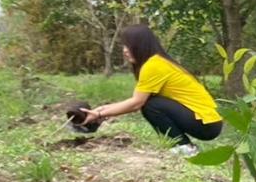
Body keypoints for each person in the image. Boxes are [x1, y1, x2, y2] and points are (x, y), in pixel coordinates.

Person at [84, 25, 223, 156]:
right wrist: (99, 110)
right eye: (124, 46)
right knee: (151, 103)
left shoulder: (154, 65)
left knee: (151, 105)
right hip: (207, 122)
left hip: (206, 123)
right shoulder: (156, 62)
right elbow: (134, 101)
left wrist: (98, 113)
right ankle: (183, 146)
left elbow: (136, 103)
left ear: (141, 45)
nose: (125, 50)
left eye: (129, 46)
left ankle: (184, 147)